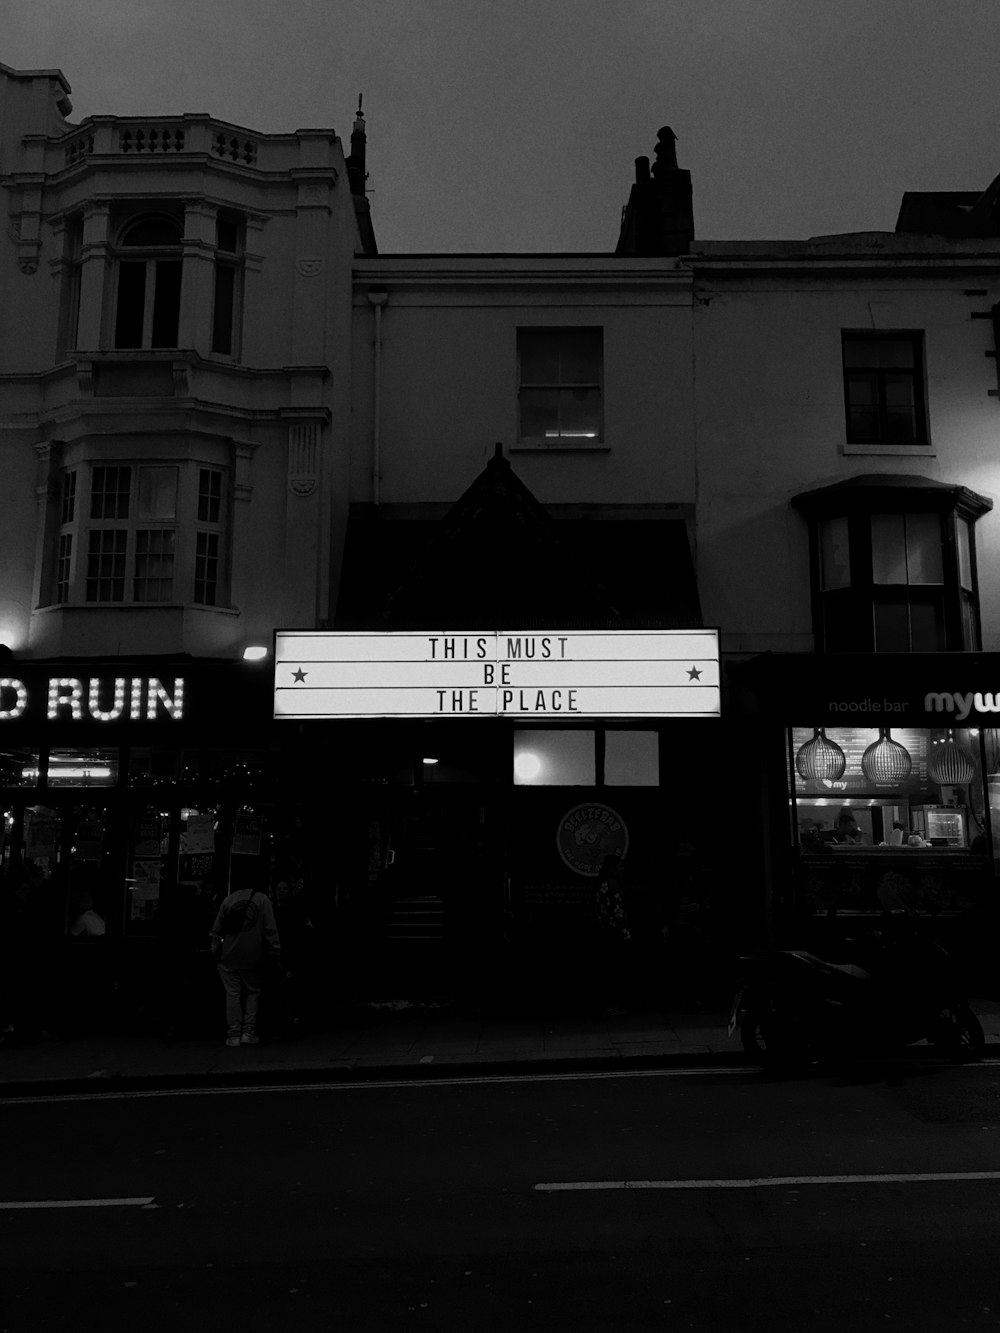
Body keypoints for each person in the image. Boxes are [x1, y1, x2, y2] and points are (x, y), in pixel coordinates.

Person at [210, 885, 281, 1046]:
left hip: (228, 954)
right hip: (253, 954)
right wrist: (274, 950)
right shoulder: (263, 900)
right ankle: (248, 1031)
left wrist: (215, 950)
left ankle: (234, 1033)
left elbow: (217, 929)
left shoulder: (229, 900)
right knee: (253, 991)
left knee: (233, 993)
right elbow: (270, 929)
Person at [595, 854, 631, 1016]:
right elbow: (618, 913)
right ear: (612, 869)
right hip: (615, 932)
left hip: (604, 931)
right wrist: (625, 932)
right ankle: (615, 1003)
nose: (623, 870)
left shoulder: (602, 885)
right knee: (617, 968)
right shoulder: (614, 886)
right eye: (620, 867)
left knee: (608, 967)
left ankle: (608, 1002)